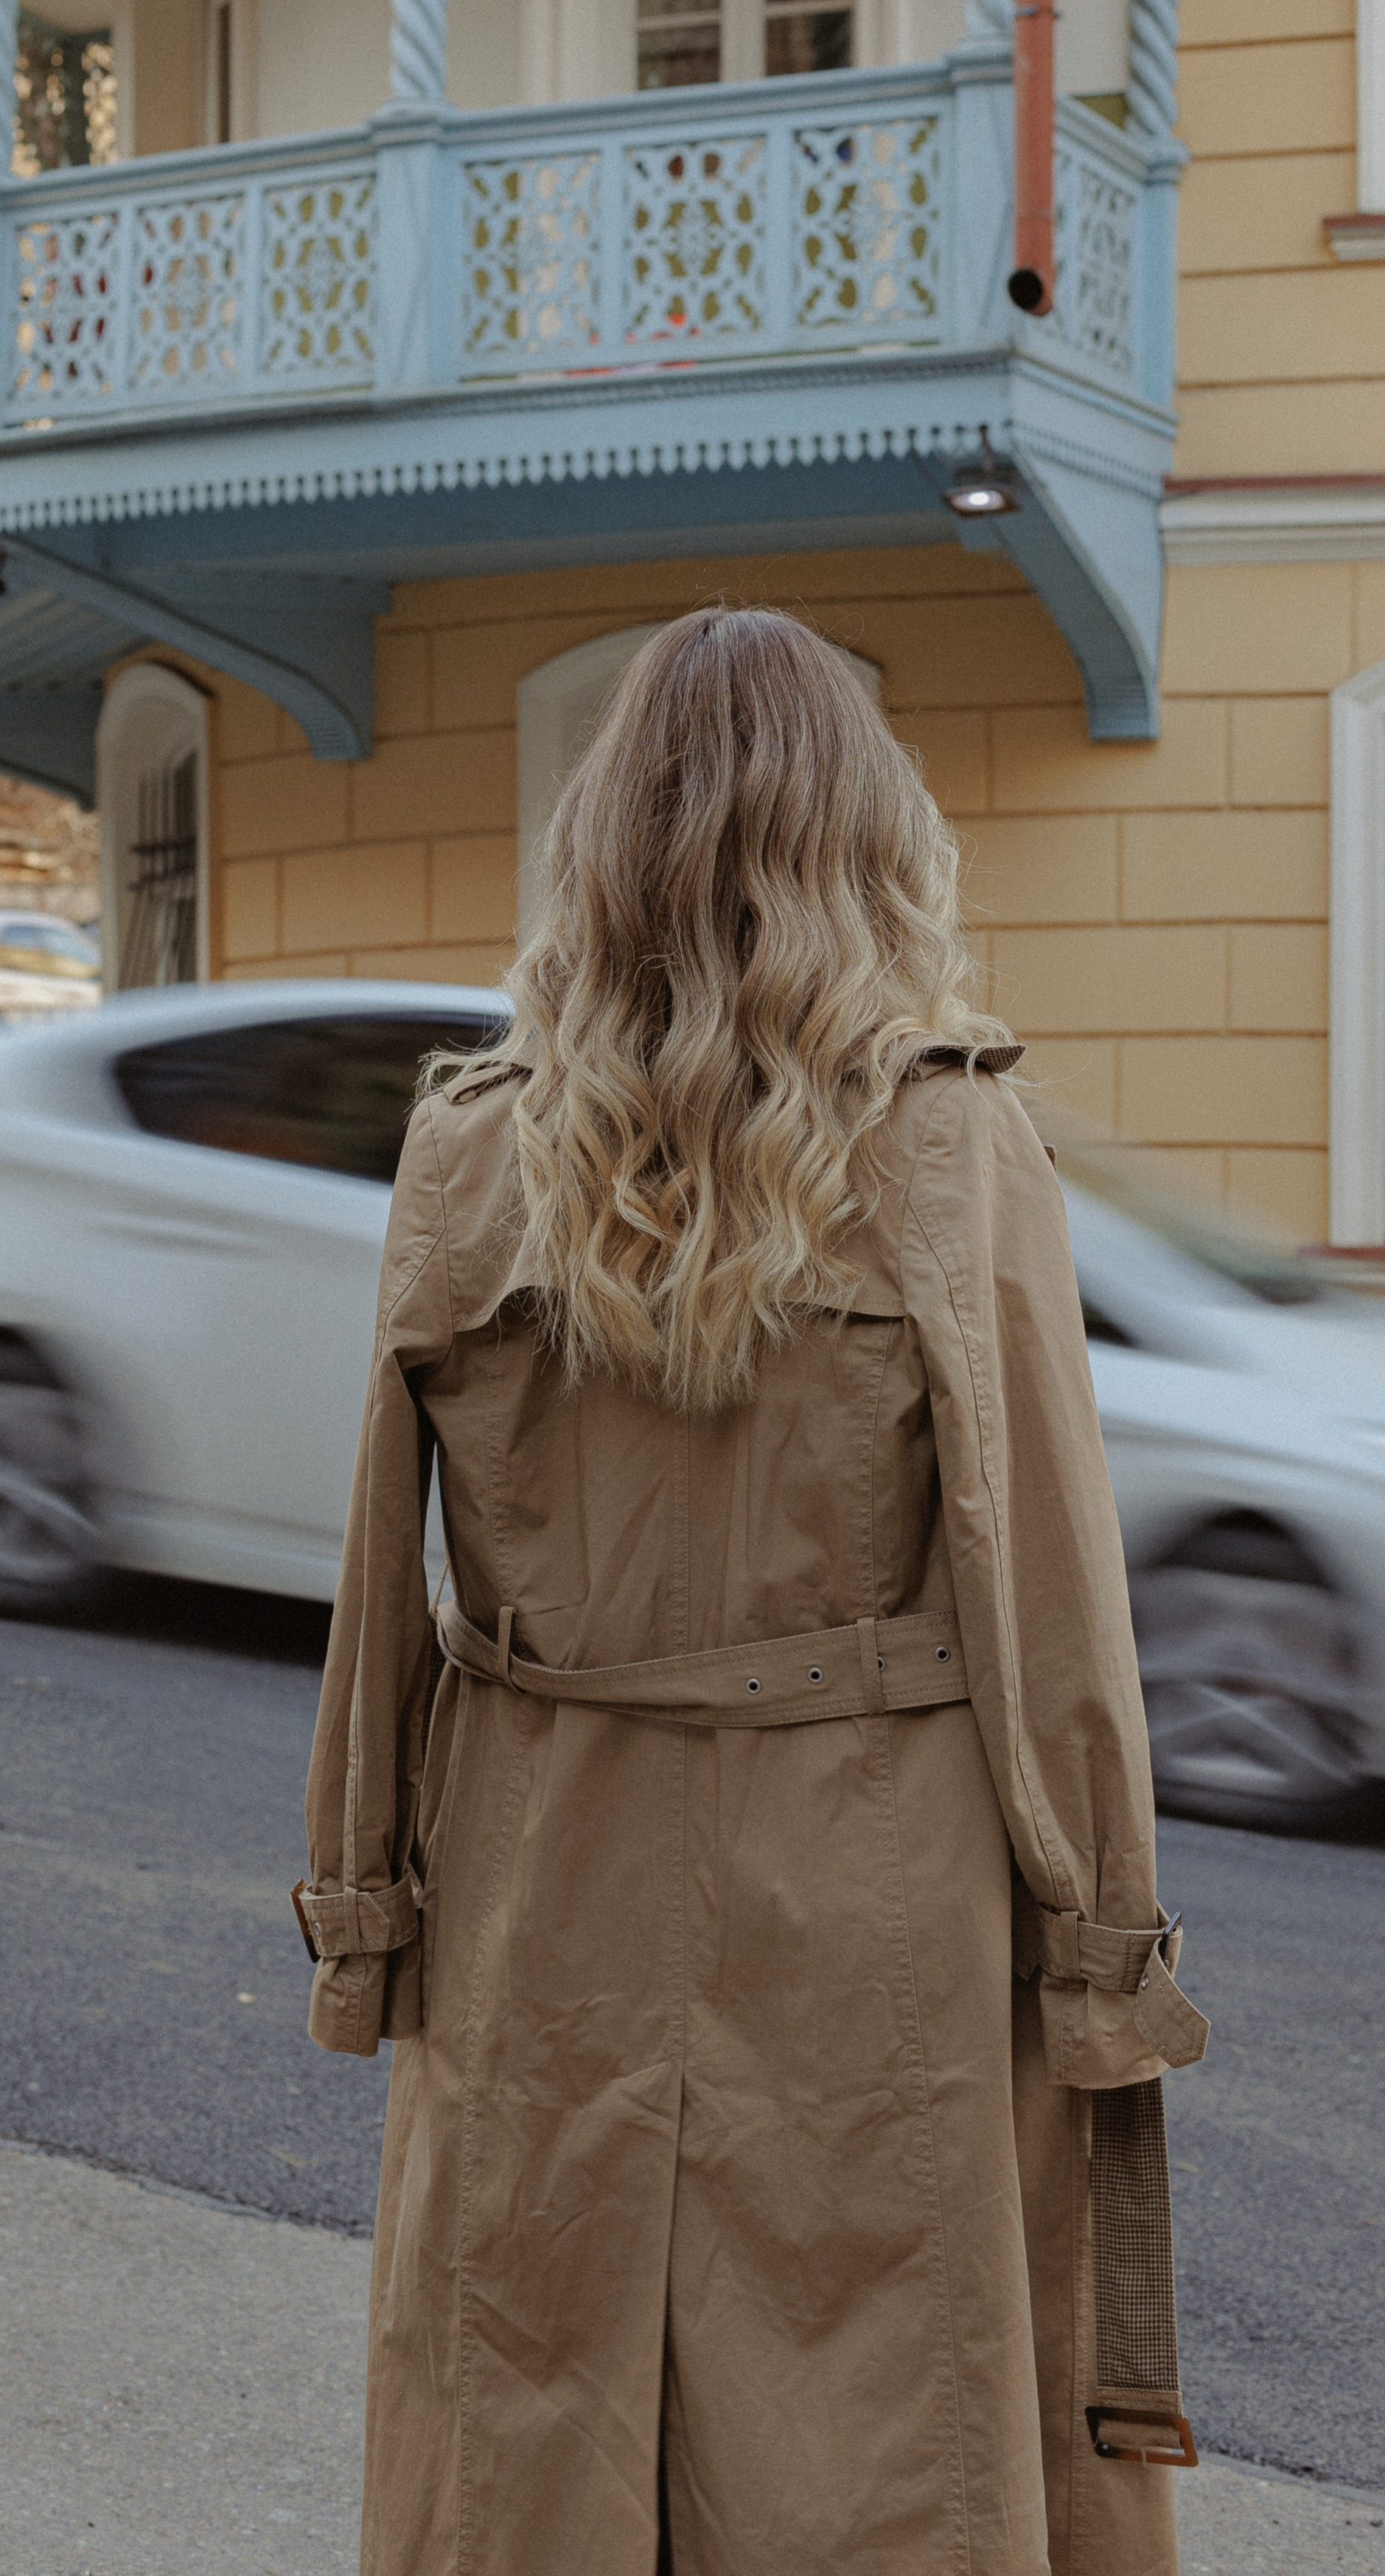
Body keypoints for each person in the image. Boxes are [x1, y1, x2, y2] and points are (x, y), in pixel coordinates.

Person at [296, 605, 1208, 2576]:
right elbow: (1054, 1608)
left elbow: (377, 1595)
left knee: (525, 2413)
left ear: (597, 845)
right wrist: (1105, 1951)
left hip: (539, 1884)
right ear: (870, 838)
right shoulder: (958, 1147)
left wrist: (363, 1906)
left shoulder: (467, 1159)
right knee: (869, 2442)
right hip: (871, 1898)